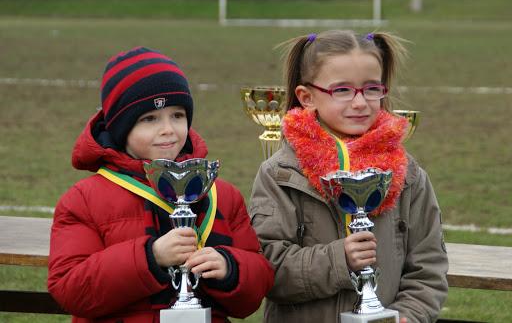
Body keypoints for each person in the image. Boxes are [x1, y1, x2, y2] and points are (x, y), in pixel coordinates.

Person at [48, 46, 274, 323]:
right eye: (149, 119)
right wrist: (150, 257)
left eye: (177, 115)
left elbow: (253, 294)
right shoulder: (83, 199)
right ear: (121, 128)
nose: (168, 129)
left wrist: (231, 268)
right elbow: (71, 290)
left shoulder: (221, 194)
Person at [249, 30, 448, 323]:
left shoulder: (408, 175)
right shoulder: (280, 174)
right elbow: (268, 271)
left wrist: (408, 316)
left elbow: (428, 269)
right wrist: (339, 260)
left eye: (371, 89)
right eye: (341, 90)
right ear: (306, 97)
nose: (360, 102)